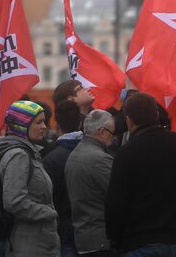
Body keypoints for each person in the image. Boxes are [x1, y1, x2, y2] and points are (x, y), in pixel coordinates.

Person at [105, 93, 176, 257]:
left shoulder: (126, 153)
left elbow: (115, 202)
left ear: (129, 120)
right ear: (156, 115)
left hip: (138, 241)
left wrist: (115, 240)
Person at [0, 100, 59, 256]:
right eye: (38, 122)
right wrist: (48, 213)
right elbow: (14, 201)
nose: (44, 127)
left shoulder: (27, 152)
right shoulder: (18, 155)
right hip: (28, 245)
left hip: (37, 242)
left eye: (44, 122)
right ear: (22, 125)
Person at [65, 110, 117, 257]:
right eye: (111, 133)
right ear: (101, 132)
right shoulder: (99, 159)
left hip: (85, 237)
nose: (112, 139)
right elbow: (118, 194)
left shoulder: (75, 153)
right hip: (101, 239)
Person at [42, 101, 83, 257]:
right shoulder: (96, 152)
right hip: (89, 226)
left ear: (57, 124)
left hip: (61, 225)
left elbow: (45, 195)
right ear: (80, 123)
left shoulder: (49, 157)